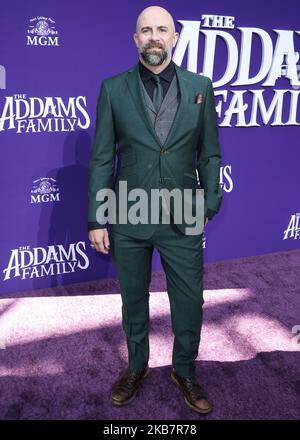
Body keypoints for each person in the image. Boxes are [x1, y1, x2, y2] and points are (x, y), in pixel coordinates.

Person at [88, 6, 222, 414]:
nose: (153, 37)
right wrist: (97, 217)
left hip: (183, 214)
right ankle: (136, 366)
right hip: (128, 214)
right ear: (135, 39)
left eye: (162, 29)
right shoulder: (113, 89)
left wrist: (209, 201)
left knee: (189, 299)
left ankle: (184, 370)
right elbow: (100, 160)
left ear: (175, 36)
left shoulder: (201, 86)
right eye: (145, 30)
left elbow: (210, 153)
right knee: (133, 298)